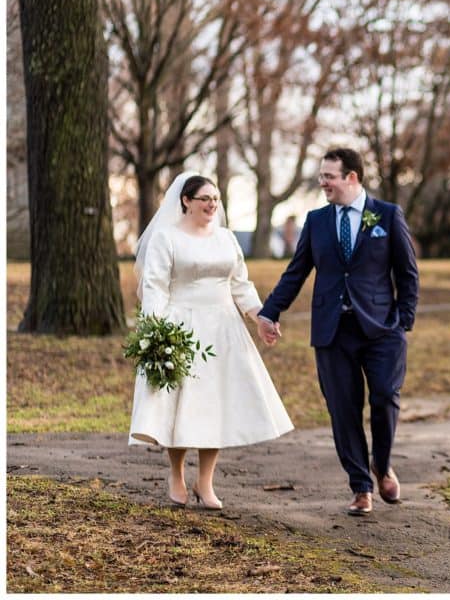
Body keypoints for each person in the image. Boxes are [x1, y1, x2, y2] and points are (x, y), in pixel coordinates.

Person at [257, 147, 419, 517]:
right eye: (321, 176)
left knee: (384, 397)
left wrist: (404, 320)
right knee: (343, 410)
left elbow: (407, 273)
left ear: (352, 178)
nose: (322, 182)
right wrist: (270, 311)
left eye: (329, 176)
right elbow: (296, 272)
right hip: (333, 331)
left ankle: (382, 462)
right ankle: (361, 486)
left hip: (382, 329)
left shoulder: (388, 216)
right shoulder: (316, 222)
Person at [129, 172, 293, 510]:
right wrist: (155, 332)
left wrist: (260, 317)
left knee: (215, 404)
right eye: (205, 199)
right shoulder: (166, 238)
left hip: (222, 328)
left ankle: (205, 482)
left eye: (215, 199)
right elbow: (155, 287)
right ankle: (175, 473)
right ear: (186, 201)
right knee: (181, 403)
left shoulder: (227, 239)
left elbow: (240, 285)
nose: (212, 204)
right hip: (181, 326)